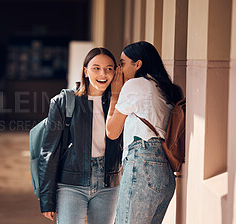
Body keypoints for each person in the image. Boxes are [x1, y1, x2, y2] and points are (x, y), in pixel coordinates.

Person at [39, 48, 123, 224]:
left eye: (109, 68)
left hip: (109, 184)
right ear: (85, 71)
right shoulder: (64, 101)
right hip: (71, 183)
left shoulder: (121, 102)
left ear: (115, 71)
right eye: (96, 68)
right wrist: (47, 198)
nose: (103, 74)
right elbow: (49, 151)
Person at [106, 41, 184, 224]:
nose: (119, 69)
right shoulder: (162, 88)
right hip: (163, 171)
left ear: (138, 64)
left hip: (142, 165)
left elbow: (111, 131)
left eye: (123, 63)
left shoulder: (136, 85)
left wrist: (115, 94)